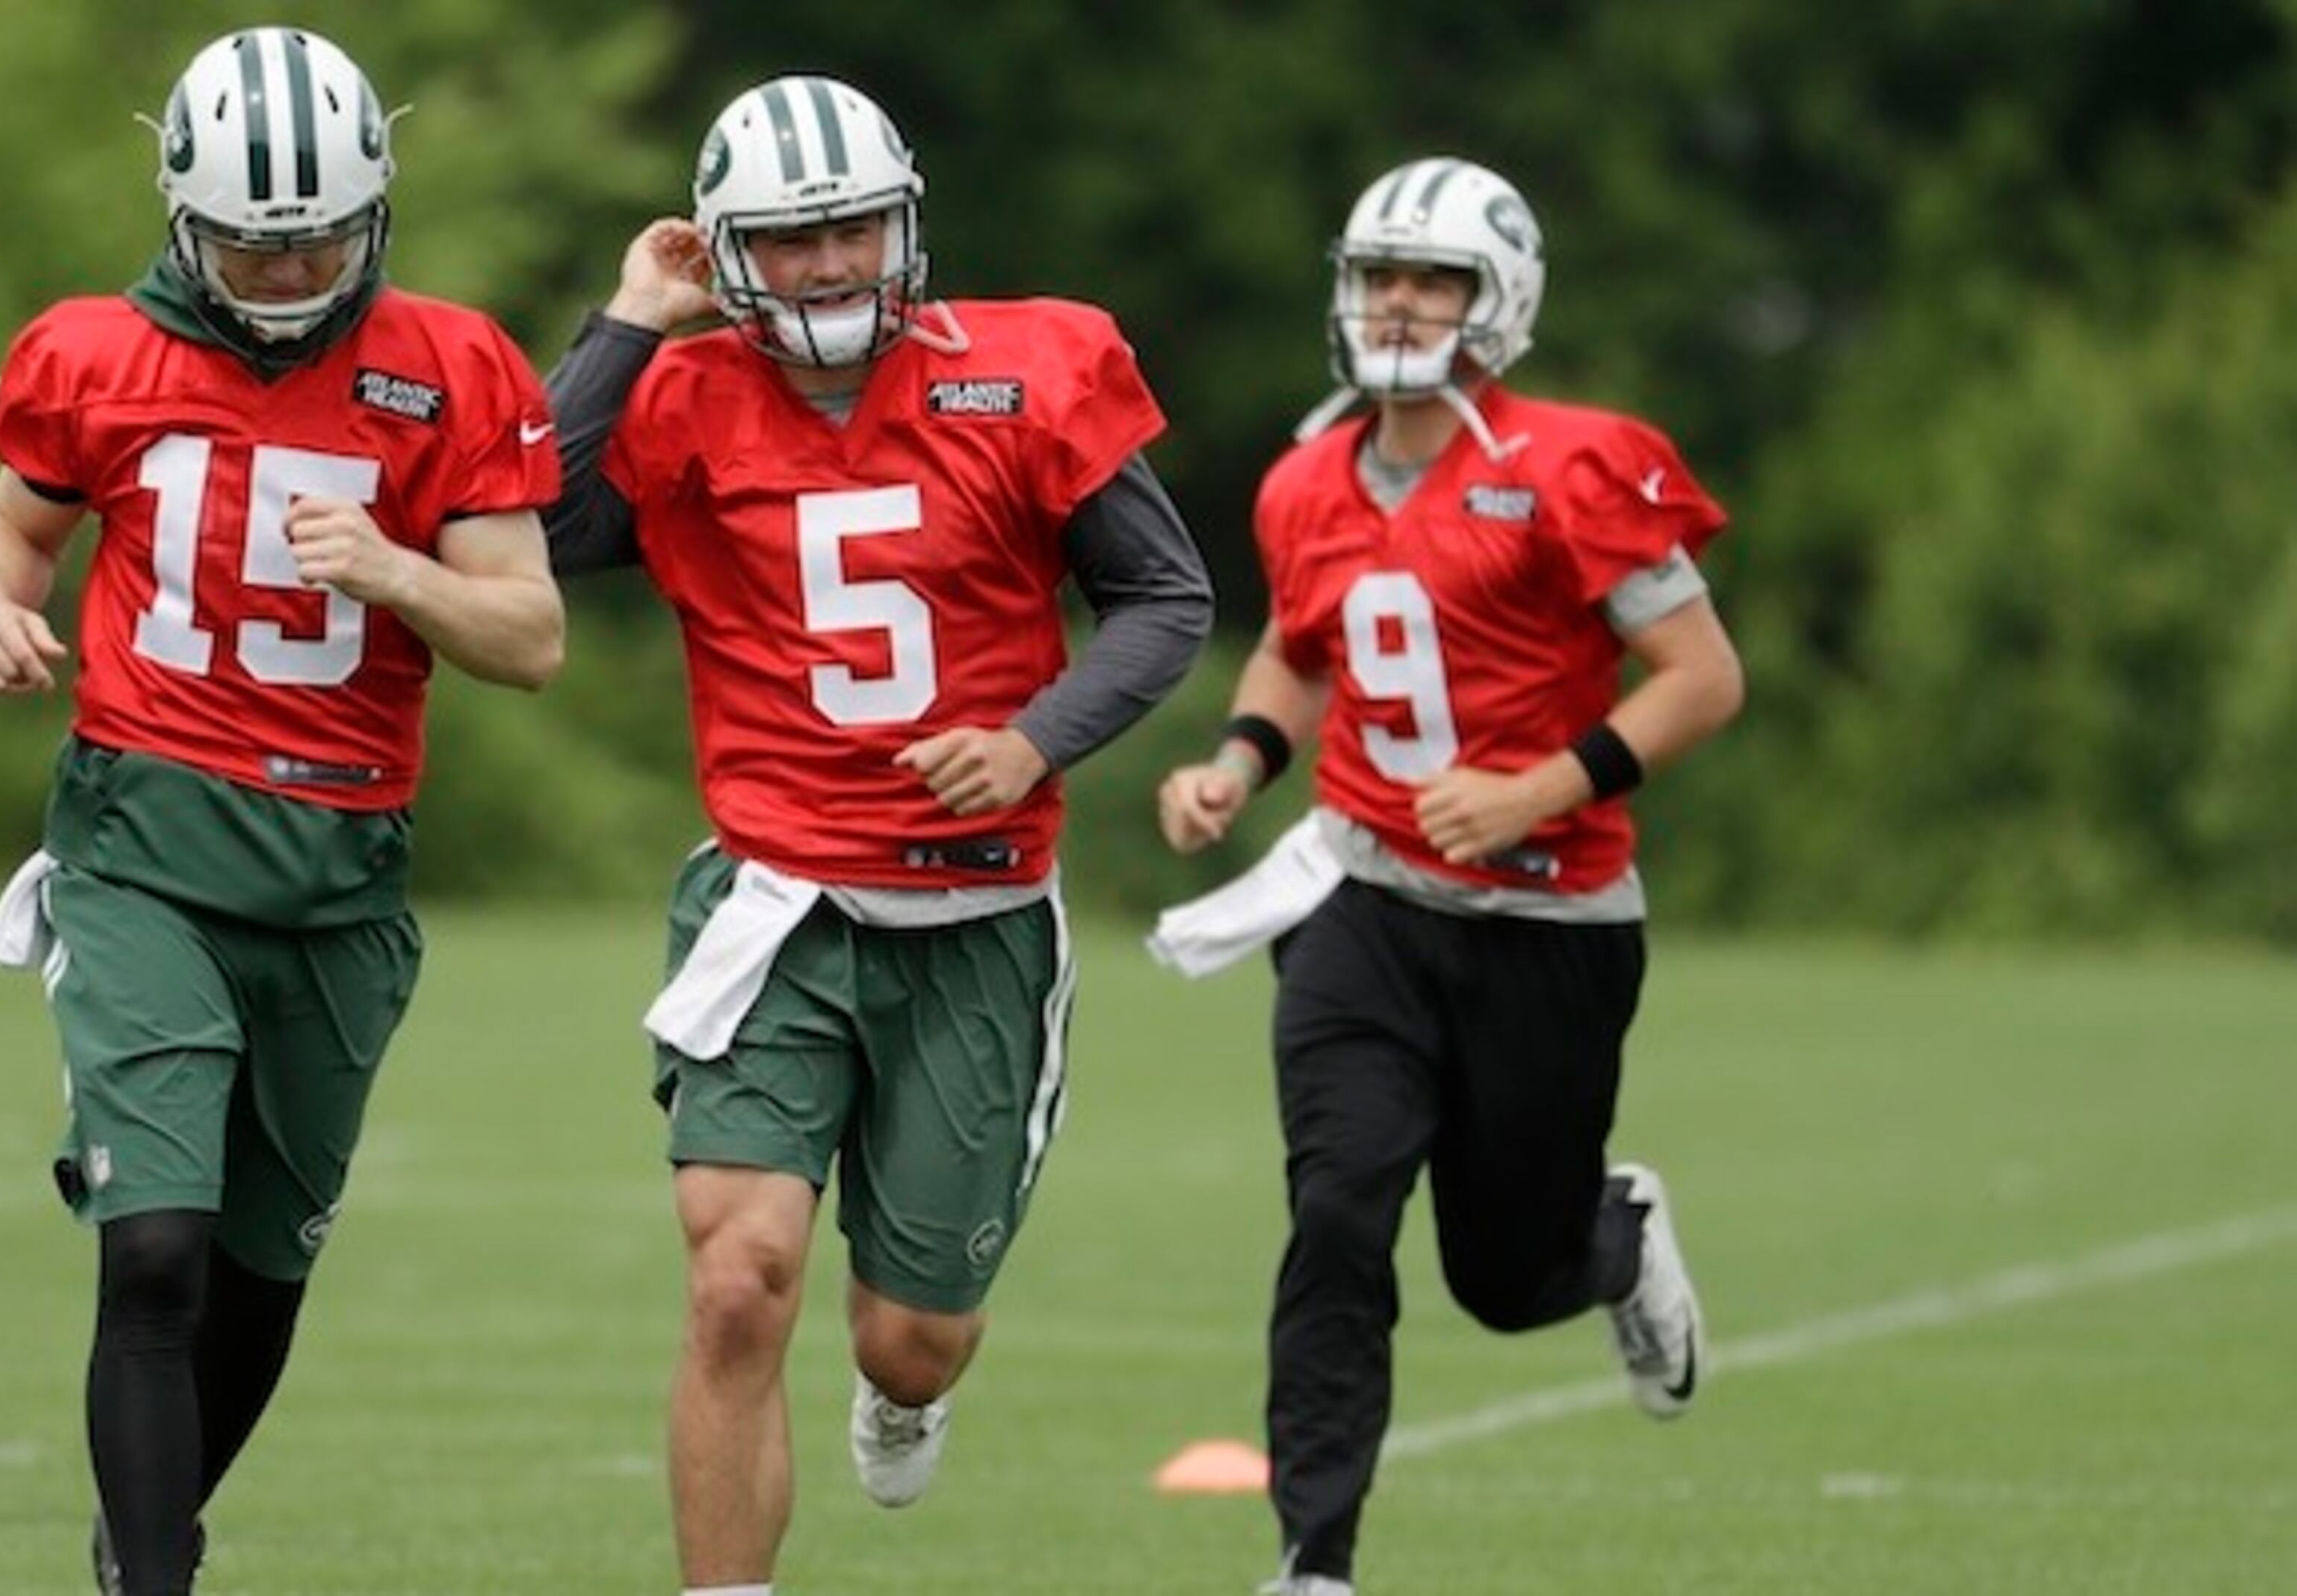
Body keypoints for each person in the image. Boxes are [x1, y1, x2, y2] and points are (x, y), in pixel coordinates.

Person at [540, 74, 1214, 1596]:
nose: (833, 263)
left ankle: (907, 1387)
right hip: (773, 898)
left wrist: (1032, 737)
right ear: (724, 255)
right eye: (790, 241)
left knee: (912, 1337)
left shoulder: (1035, 369)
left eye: (853, 227)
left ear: (905, 221)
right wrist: (629, 321)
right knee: (736, 1283)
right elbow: (527, 522)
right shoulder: (681, 389)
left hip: (975, 918)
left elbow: (1166, 598)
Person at [0, 27, 564, 1596]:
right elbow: (10, 534)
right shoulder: (95, 354)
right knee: (152, 1246)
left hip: (343, 874)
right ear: (178, 212)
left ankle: (141, 1530)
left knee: (262, 1271)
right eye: (248, 245)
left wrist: (396, 568)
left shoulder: (453, 366)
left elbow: (531, 639)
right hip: (141, 845)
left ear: (375, 212)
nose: (284, 279)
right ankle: (155, 1579)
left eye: (316, 245)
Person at [1150, 156, 1746, 1596]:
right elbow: (1305, 644)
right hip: (1361, 903)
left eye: (1436, 279)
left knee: (1503, 1275)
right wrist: (1239, 761)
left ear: (1502, 301)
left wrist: (1540, 786)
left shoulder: (1578, 463)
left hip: (1553, 918)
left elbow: (1703, 677)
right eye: (1380, 275)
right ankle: (1314, 1563)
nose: (1401, 304)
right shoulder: (1307, 477)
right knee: (1342, 1207)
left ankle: (1612, 1237)